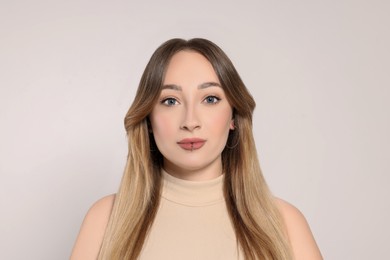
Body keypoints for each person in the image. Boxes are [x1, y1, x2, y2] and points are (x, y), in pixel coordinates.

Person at [70, 38, 322, 260]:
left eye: (210, 99)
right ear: (148, 118)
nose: (190, 121)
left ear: (234, 116)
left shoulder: (285, 223)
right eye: (170, 101)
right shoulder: (105, 219)